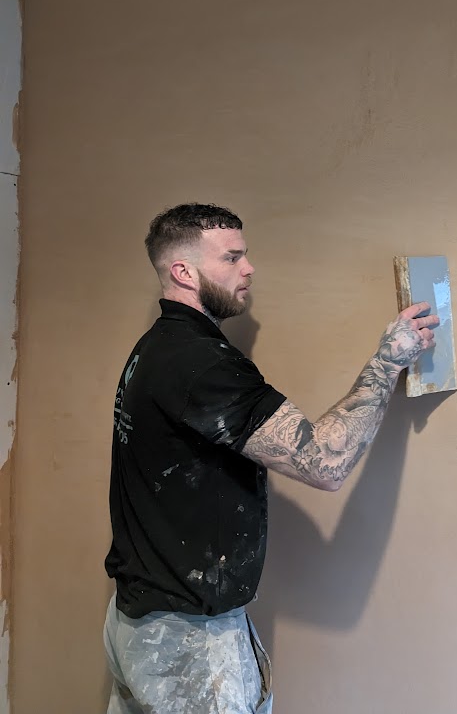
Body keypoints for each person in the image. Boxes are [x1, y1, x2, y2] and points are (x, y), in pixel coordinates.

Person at [103, 203, 438, 714]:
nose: (249, 268)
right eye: (232, 257)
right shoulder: (201, 364)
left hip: (140, 619)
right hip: (185, 642)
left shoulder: (156, 347)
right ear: (184, 272)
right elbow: (324, 463)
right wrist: (388, 360)